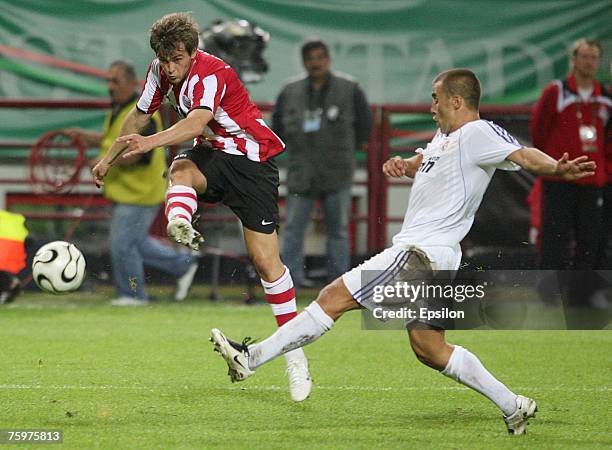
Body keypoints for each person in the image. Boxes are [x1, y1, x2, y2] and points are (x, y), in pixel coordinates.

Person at [210, 68, 597, 434]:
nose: (431, 106)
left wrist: (556, 169)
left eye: (436, 99)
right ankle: (512, 404)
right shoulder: (445, 138)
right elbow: (429, 161)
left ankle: (251, 358)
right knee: (429, 348)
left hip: (421, 253)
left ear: (458, 101)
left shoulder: (479, 133)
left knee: (331, 298)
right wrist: (405, 164)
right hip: (437, 258)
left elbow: (523, 155)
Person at [91, 13, 311, 401]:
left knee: (266, 263)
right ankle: (179, 220)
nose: (170, 68)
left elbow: (195, 123)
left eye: (177, 59)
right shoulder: (159, 70)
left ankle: (296, 357)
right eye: (164, 59)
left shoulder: (211, 72)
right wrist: (110, 157)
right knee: (181, 168)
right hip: (213, 155)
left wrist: (149, 142)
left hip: (252, 162)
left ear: (193, 52)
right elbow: (139, 114)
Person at [67, 61, 199, 306]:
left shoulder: (143, 116)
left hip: (140, 193)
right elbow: (113, 141)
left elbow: (137, 154)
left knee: (122, 245)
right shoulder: (119, 109)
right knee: (135, 242)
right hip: (129, 192)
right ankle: (185, 264)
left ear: (131, 83)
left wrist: (105, 162)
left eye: (115, 81)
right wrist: (87, 137)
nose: (109, 86)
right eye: (107, 80)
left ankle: (133, 294)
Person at [272, 39, 372, 287]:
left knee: (338, 230)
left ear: (328, 59)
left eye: (320, 58)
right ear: (304, 62)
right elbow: (277, 129)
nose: (315, 63)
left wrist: (345, 151)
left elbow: (365, 127)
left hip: (337, 170)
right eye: (310, 59)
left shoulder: (350, 88)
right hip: (301, 171)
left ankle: (339, 284)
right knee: (294, 229)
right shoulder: (289, 90)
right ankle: (290, 281)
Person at [530, 38, 611, 307]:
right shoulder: (557, 91)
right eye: (584, 56)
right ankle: (549, 295)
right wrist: (552, 165)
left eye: (594, 57)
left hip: (594, 181)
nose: (589, 62)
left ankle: (582, 295)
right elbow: (538, 131)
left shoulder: (605, 97)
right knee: (555, 237)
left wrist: (605, 172)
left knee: (591, 238)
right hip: (559, 178)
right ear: (573, 60)